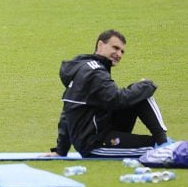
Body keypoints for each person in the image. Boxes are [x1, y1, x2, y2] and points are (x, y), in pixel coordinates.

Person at [48, 30, 170, 158]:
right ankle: (164, 145)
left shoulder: (86, 68)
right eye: (115, 48)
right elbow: (116, 99)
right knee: (155, 147)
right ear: (100, 45)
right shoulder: (94, 73)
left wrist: (60, 150)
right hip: (96, 144)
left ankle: (163, 142)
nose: (119, 54)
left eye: (122, 51)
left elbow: (67, 112)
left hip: (103, 132)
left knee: (140, 93)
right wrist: (147, 85)